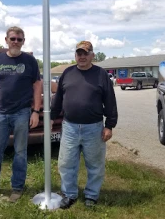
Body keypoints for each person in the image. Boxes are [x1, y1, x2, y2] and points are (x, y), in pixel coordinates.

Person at [0, 26, 42, 202]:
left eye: (19, 39)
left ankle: (17, 188)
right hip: (1, 113)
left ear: (23, 41)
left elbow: (37, 86)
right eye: (13, 39)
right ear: (6, 40)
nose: (16, 42)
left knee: (20, 152)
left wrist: (35, 111)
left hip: (22, 113)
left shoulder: (30, 61)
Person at [50, 41, 118, 209]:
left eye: (85, 53)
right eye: (79, 53)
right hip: (70, 127)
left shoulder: (101, 74)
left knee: (95, 164)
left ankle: (91, 196)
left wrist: (109, 125)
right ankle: (69, 194)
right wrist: (51, 117)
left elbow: (110, 101)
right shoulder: (67, 73)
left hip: (93, 128)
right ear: (75, 55)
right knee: (66, 163)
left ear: (92, 55)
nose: (81, 56)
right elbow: (58, 98)